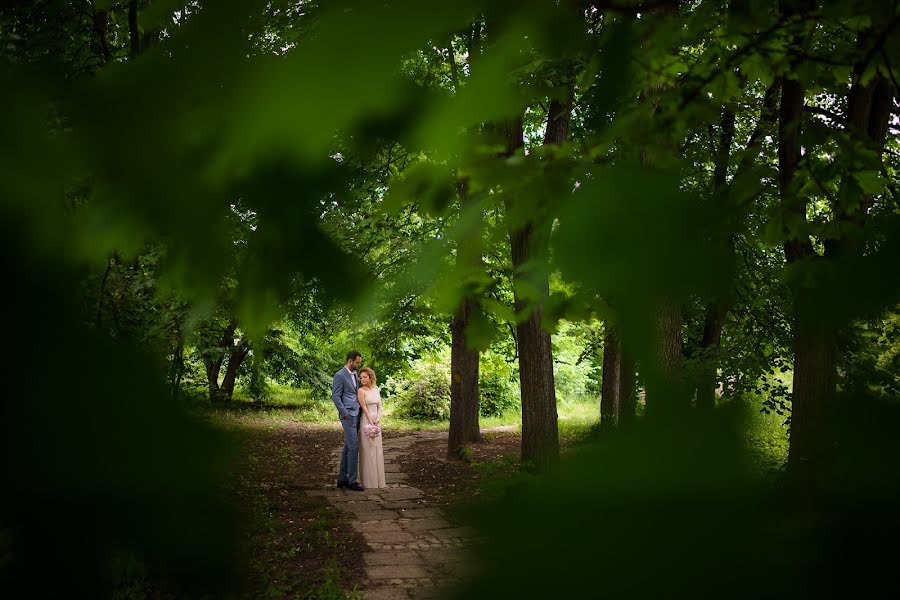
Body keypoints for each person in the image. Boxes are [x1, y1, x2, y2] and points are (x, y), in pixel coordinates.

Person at [332, 350, 364, 491]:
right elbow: (336, 396)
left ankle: (342, 479)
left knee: (347, 448)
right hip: (348, 416)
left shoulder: (355, 374)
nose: (359, 364)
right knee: (354, 447)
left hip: (356, 413)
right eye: (357, 362)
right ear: (350, 361)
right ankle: (352, 481)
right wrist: (345, 413)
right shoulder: (339, 375)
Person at [357, 367, 386, 489]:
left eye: (365, 377)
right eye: (361, 377)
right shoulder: (361, 391)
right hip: (366, 420)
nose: (362, 379)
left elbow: (380, 406)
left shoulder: (376, 389)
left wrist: (378, 419)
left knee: (377, 450)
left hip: (376, 420)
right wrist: (370, 422)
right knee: (368, 449)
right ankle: (369, 482)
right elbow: (363, 407)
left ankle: (379, 482)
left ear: (370, 377)